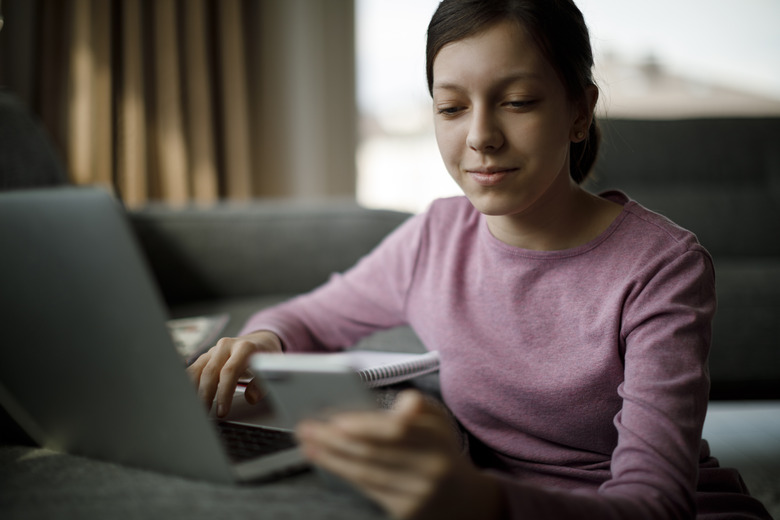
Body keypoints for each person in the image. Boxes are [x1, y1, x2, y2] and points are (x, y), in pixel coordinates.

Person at [188, 1, 772, 518]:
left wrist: (479, 501)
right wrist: (262, 339)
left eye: (516, 102)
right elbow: (312, 316)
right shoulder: (437, 236)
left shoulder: (662, 267)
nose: (481, 136)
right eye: (451, 108)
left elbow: (655, 504)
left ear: (578, 111)